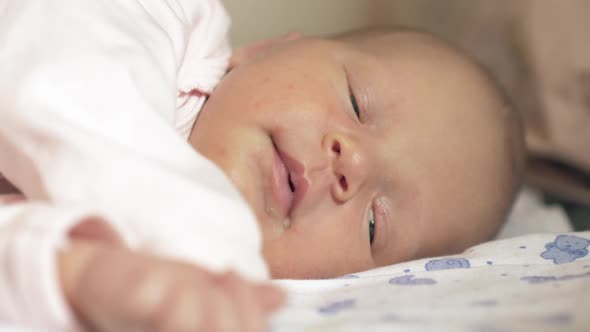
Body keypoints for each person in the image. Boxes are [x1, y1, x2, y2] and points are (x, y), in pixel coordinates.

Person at [0, 0, 524, 331]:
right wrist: (206, 251)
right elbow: (47, 76)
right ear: (265, 50)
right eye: (357, 102)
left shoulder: (180, 289)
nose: (353, 164)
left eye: (373, 224)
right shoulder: (167, 18)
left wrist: (72, 276)